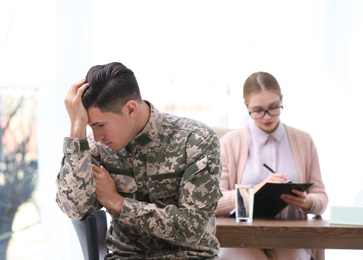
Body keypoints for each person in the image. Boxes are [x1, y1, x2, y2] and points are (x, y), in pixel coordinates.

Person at [55, 62, 223, 259]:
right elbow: (74, 209)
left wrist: (117, 202)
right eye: (90, 126)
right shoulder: (97, 148)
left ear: (130, 109)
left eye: (100, 124)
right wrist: (77, 130)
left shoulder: (196, 141)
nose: (97, 136)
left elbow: (191, 229)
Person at [216, 72, 328, 260]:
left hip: (290, 237)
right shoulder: (229, 143)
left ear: (281, 100)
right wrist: (255, 191)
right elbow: (214, 202)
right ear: (246, 106)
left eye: (274, 107)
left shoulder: (304, 140)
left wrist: (308, 202)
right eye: (258, 110)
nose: (267, 116)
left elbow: (322, 199)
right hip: (242, 238)